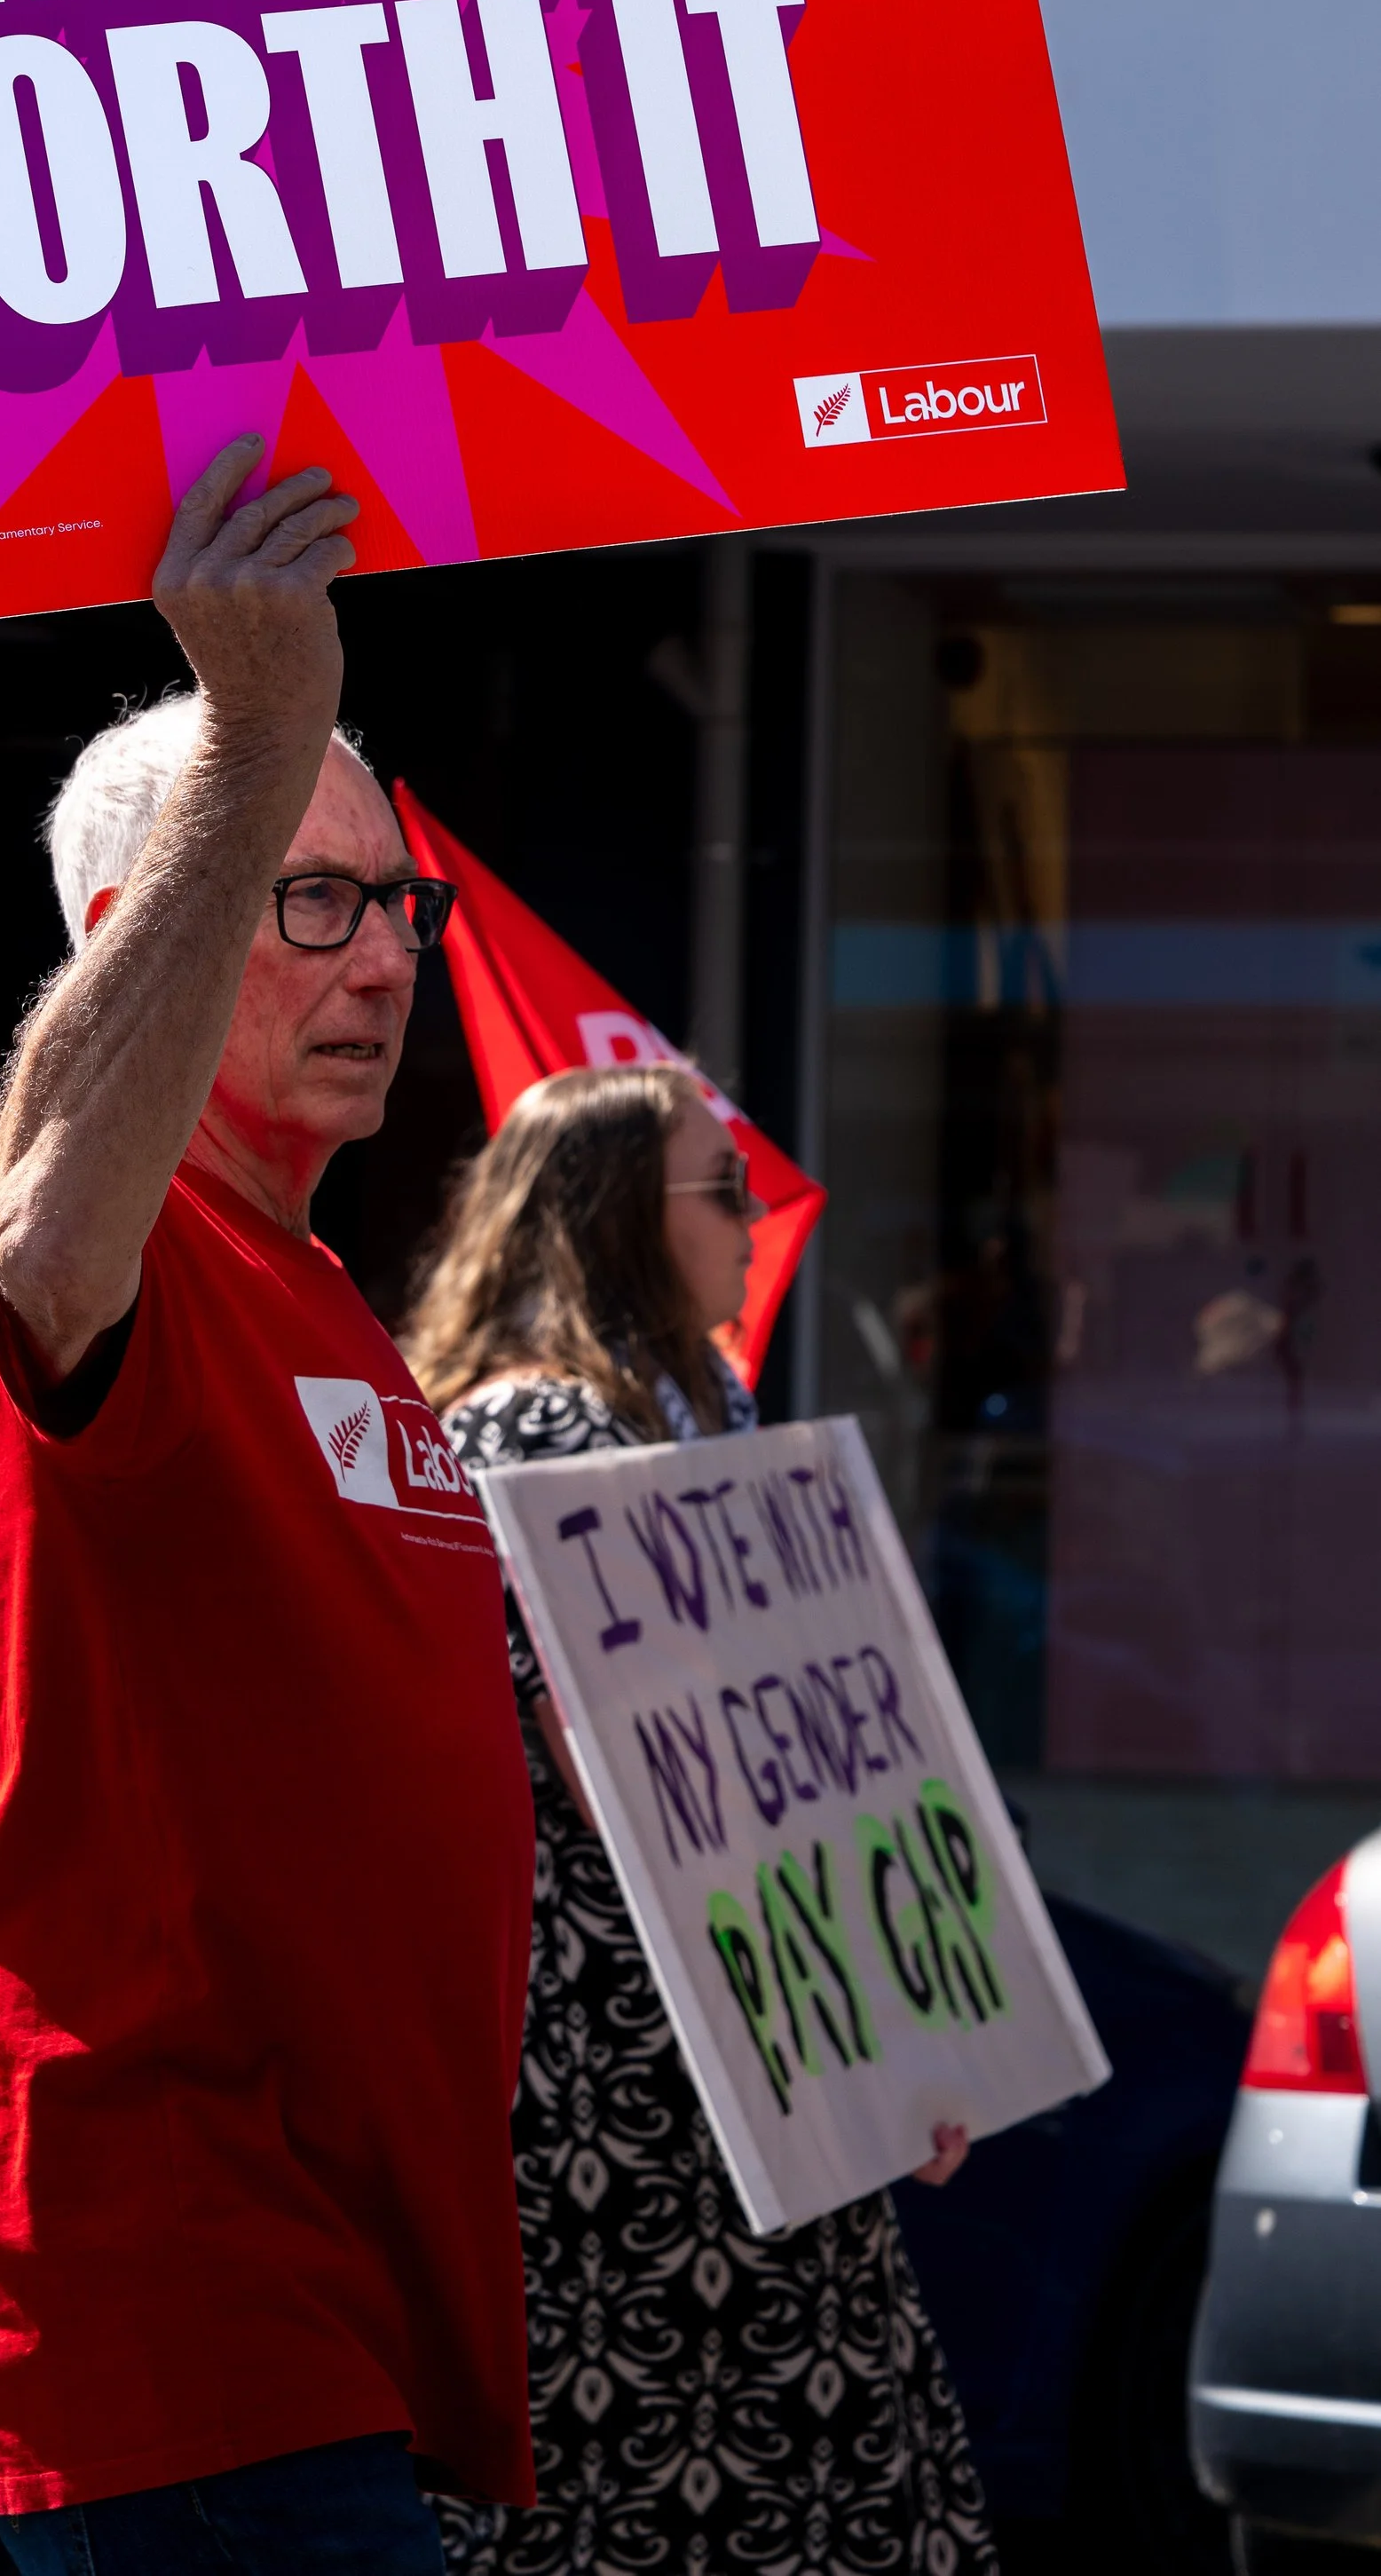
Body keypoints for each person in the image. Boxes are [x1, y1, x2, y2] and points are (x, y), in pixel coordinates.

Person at [0, 441, 538, 2570]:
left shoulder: (316, 1285)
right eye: (308, 894)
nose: (381, 963)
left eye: (395, 904)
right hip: (176, 2310)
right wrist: (259, 728)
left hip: (350, 2307)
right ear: (140, 932)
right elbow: (42, 1218)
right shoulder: (114, 1235)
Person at [403, 1062, 997, 2576]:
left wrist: (900, 2040)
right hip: (632, 2109)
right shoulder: (535, 1435)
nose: (754, 1219)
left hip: (749, 2079)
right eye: (722, 1187)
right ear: (616, 1217)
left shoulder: (691, 1414)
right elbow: (637, 1771)